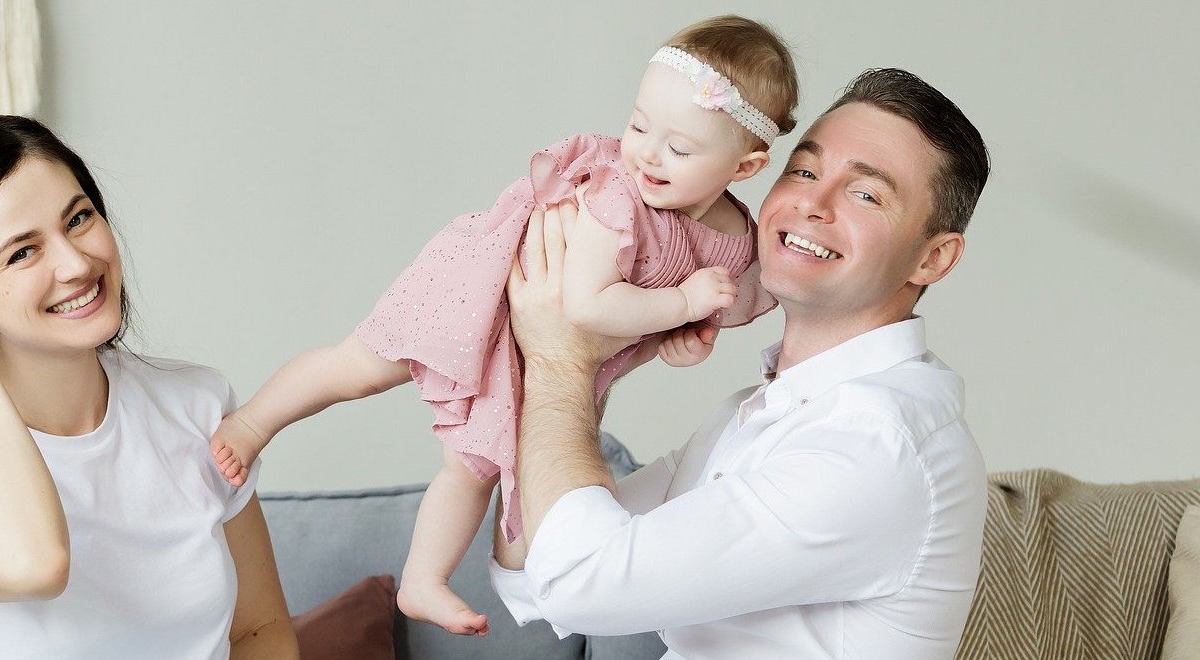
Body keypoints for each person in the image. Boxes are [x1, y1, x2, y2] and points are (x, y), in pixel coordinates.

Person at [207, 16, 794, 635]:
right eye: (638, 124)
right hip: (481, 293)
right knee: (358, 367)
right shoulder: (616, 196)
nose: (645, 152)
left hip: (540, 353)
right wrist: (679, 304)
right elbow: (588, 306)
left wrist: (682, 340)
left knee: (472, 466)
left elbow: (681, 322)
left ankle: (422, 580)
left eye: (678, 147)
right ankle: (251, 424)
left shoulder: (733, 242)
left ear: (746, 167)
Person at [493, 67, 992, 659]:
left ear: (933, 259)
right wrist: (592, 353)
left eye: (865, 194)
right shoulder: (764, 411)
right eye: (804, 170)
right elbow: (532, 567)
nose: (812, 201)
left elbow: (580, 586)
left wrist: (560, 361)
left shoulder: (874, 444)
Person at [0, 115, 298, 659]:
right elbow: (35, 564)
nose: (77, 263)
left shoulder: (195, 405)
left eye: (78, 219)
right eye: (22, 252)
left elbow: (261, 629)